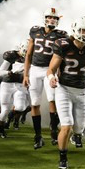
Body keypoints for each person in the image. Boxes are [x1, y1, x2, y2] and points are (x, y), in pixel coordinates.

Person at [47, 16, 85, 169]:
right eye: (84, 30)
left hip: (82, 91)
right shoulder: (63, 44)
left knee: (79, 128)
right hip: (64, 89)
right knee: (67, 126)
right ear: (75, 29)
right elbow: (51, 68)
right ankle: (63, 158)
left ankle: (72, 135)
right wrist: (52, 78)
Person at [23, 8, 68, 148]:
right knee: (35, 103)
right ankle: (38, 136)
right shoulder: (35, 31)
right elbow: (29, 54)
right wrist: (25, 74)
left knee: (53, 100)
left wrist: (59, 72)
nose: (52, 20)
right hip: (35, 70)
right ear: (44, 18)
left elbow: (63, 57)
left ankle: (53, 129)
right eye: (49, 17)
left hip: (50, 70)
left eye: (55, 18)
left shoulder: (61, 35)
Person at [0, 40, 29, 138]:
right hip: (7, 84)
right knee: (5, 109)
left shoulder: (32, 58)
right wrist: (9, 72)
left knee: (20, 107)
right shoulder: (12, 56)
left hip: (20, 85)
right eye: (26, 51)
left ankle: (10, 117)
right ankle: (1, 127)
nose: (27, 53)